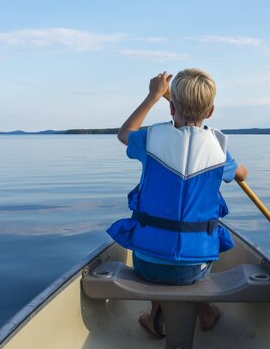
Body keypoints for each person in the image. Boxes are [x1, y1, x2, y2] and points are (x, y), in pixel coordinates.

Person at [106, 69, 248, 337]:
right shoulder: (219, 149)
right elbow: (241, 174)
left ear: (170, 107)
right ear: (211, 111)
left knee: (159, 253)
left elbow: (124, 133)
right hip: (196, 268)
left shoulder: (150, 139)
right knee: (192, 259)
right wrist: (238, 167)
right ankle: (206, 312)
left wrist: (152, 96)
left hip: (147, 264)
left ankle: (154, 316)